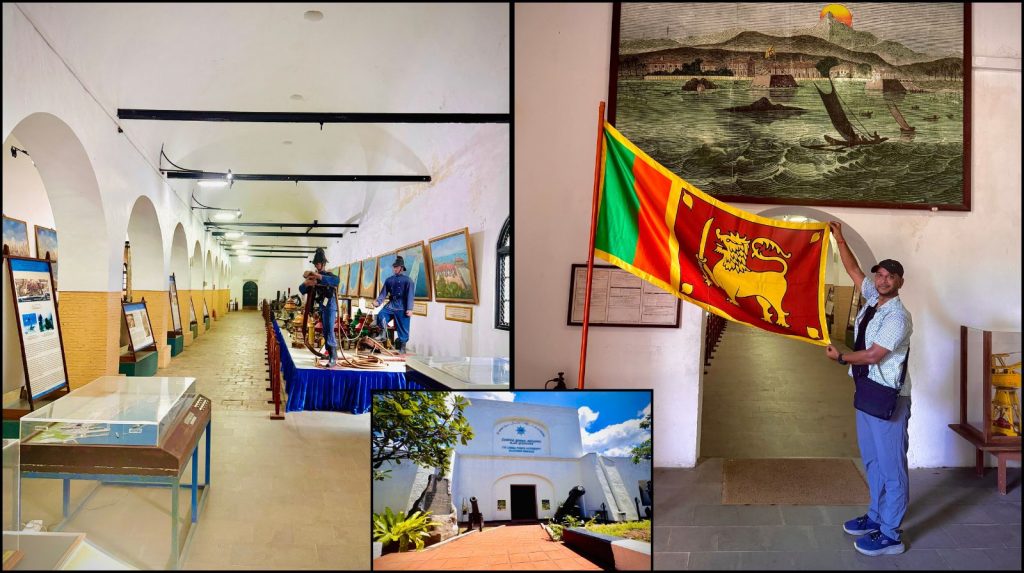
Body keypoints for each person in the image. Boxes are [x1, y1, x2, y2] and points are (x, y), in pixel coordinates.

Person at [825, 221, 913, 557]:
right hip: (865, 391)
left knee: (892, 466)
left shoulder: (898, 317)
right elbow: (852, 269)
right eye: (880, 275)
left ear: (899, 282)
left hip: (888, 397)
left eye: (890, 276)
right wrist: (840, 239)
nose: (883, 279)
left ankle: (891, 534)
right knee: (873, 461)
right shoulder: (873, 297)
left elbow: (876, 353)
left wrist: (841, 357)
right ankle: (876, 517)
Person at [298, 248, 340, 367]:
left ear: (323, 264)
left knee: (329, 330)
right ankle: (332, 353)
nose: (317, 265)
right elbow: (301, 289)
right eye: (316, 263)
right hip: (322, 306)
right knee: (325, 330)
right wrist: (306, 283)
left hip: (330, 306)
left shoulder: (328, 275)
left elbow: (336, 281)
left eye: (319, 263)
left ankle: (332, 356)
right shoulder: (313, 278)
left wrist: (318, 276)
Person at [374, 255, 415, 354]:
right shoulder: (389, 280)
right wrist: (378, 302)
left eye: (396, 267)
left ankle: (402, 347)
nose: (394, 268)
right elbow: (383, 293)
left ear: (401, 268)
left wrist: (409, 308)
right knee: (381, 315)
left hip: (403, 306)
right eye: (394, 267)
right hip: (391, 304)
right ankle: (383, 333)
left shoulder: (408, 280)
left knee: (403, 327)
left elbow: (410, 295)